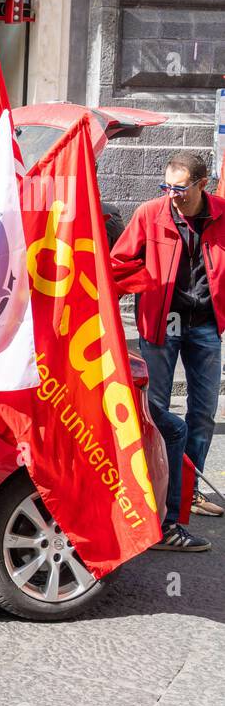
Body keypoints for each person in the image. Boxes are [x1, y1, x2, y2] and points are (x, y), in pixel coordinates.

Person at [111, 151, 225, 552]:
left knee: (202, 413)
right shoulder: (150, 213)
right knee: (157, 415)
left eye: (180, 188)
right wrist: (146, 283)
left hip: (206, 326)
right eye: (167, 187)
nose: (172, 195)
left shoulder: (221, 214)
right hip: (162, 326)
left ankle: (186, 490)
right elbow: (119, 263)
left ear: (202, 183)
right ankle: (158, 499)